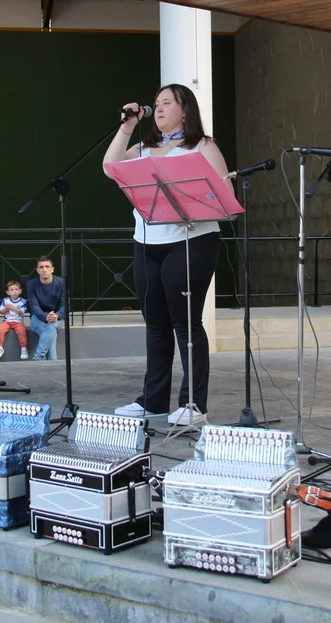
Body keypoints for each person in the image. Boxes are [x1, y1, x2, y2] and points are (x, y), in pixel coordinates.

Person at [103, 84, 228, 426]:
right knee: (155, 325)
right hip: (147, 242)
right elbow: (110, 167)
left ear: (185, 110)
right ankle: (153, 400)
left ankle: (193, 404)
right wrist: (127, 127)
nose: (158, 108)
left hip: (191, 241)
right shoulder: (143, 148)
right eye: (156, 103)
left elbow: (225, 196)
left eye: (167, 103)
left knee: (186, 323)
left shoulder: (203, 146)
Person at [26, 257, 64, 361]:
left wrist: (57, 315)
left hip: (56, 317)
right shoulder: (31, 284)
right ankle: (49, 363)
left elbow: (65, 304)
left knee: (50, 327)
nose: (44, 269)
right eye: (41, 267)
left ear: (52, 269)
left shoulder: (61, 282)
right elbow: (34, 306)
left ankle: (37, 358)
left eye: (47, 266)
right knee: (51, 330)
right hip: (38, 318)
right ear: (37, 270)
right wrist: (46, 317)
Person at [0, 279, 29, 360]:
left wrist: (13, 307)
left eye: (16, 289)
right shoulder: (5, 300)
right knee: (0, 330)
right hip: (7, 321)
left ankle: (23, 349)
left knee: (21, 331)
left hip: (18, 322)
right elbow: (1, 312)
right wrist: (6, 309)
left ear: (20, 291)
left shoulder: (22, 301)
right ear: (8, 292)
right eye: (12, 290)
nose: (14, 292)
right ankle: (0, 348)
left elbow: (21, 312)